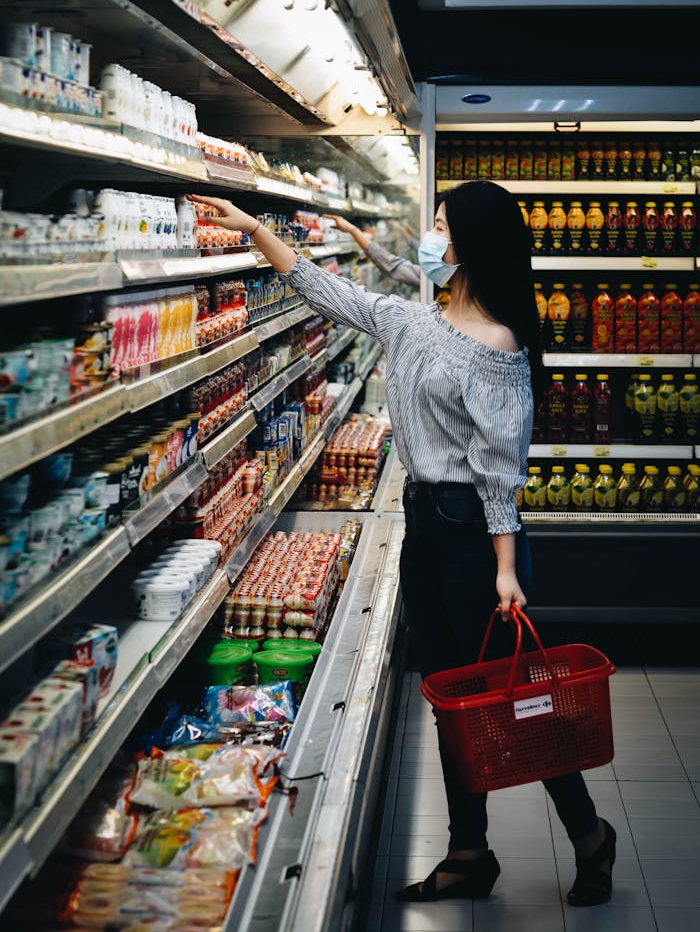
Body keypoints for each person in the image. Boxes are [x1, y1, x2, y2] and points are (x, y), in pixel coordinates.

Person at [188, 183, 616, 908]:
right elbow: (324, 289)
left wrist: (507, 569)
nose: (428, 236)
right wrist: (254, 230)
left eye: (439, 226)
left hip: (474, 536)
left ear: (467, 245)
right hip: (425, 523)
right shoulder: (411, 319)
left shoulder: (499, 349)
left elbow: (499, 472)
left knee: (505, 700)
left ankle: (589, 833)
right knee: (449, 696)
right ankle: (468, 851)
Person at [332, 216, 420, 288]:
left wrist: (353, 231)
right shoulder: (427, 277)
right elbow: (394, 265)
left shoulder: (428, 278)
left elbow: (393, 266)